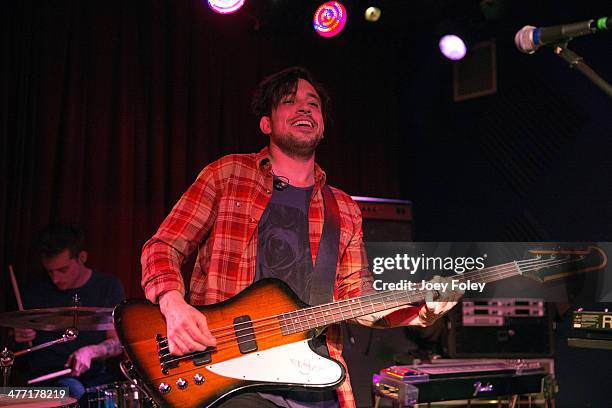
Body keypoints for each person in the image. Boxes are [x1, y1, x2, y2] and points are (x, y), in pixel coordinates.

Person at [141, 67, 460, 408]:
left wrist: (420, 307)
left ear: (322, 126)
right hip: (227, 376)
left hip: (314, 380)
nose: (306, 109)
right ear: (267, 123)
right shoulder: (228, 175)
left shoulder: (344, 208)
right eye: (290, 102)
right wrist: (173, 305)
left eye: (313, 104)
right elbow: (163, 246)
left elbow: (358, 299)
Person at [14, 224, 125, 400]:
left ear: (81, 257)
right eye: (50, 272)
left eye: (62, 270)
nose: (56, 279)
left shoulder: (108, 287)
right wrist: (19, 337)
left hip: (92, 382)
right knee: (6, 397)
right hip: (41, 387)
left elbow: (118, 343)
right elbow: (16, 353)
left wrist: (91, 351)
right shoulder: (32, 290)